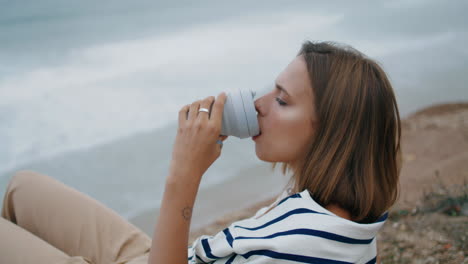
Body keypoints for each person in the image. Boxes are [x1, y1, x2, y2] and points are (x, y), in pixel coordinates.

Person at [0, 40, 401, 264]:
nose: (258, 103)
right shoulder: (326, 212)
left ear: (331, 131)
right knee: (23, 187)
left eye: (282, 100)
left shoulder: (305, 248)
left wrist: (185, 173)